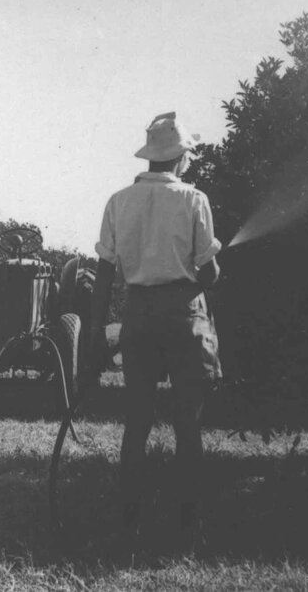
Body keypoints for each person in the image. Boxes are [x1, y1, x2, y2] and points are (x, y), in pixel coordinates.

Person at [89, 111, 222, 553]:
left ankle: (129, 518)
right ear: (181, 157)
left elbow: (105, 272)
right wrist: (210, 271)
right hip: (183, 317)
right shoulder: (194, 199)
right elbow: (208, 272)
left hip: (139, 318)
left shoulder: (117, 200)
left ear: (150, 158)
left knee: (137, 421)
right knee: (189, 423)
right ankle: (190, 523)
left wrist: (95, 330)